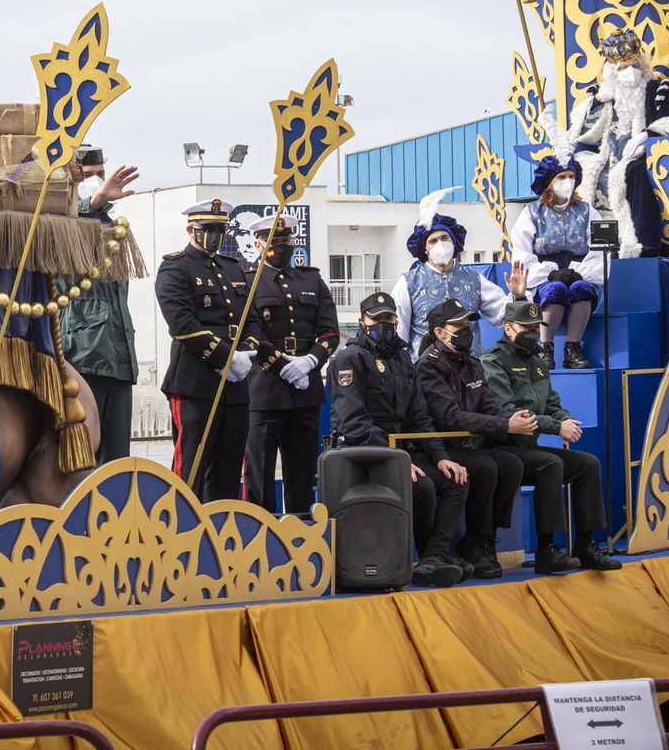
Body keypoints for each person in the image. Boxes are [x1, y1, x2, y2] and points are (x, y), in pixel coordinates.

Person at [329, 291, 473, 587]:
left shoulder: (402, 359)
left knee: (455, 478)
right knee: (422, 488)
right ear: (362, 322)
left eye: (389, 318)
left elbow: (419, 417)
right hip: (363, 453)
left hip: (400, 452)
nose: (384, 323)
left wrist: (440, 456)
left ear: (397, 321)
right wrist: (393, 459)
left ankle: (433, 558)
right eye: (377, 318)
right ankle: (422, 560)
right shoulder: (349, 359)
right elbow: (352, 422)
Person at [481, 300, 621, 574]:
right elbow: (508, 411)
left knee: (587, 464)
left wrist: (565, 419)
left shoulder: (537, 363)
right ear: (508, 329)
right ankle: (547, 549)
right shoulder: (493, 361)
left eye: (537, 327)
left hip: (529, 447)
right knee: (550, 463)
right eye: (527, 327)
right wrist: (555, 428)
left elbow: (552, 404)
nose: (533, 332)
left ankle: (586, 544)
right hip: (500, 447)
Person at [155, 199, 273, 501]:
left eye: (220, 230)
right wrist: (225, 356)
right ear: (190, 230)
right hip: (196, 383)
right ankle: (181, 534)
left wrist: (245, 355)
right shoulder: (175, 266)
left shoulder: (231, 268)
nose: (215, 236)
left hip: (235, 385)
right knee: (191, 469)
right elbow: (181, 324)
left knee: (228, 470)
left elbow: (251, 320)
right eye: (208, 229)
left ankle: (221, 538)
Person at [415, 300, 528, 579]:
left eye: (468, 323)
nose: (467, 329)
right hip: (440, 449)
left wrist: (514, 421)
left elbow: (489, 405)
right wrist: (504, 425)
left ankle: (486, 537)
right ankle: (472, 543)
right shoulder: (428, 367)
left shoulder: (472, 363)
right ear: (440, 333)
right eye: (459, 325)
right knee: (486, 466)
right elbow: (450, 417)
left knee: (512, 464)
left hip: (469, 446)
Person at [557, 28, 669, 259]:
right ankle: (587, 246)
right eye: (623, 68)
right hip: (609, 158)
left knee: (633, 172)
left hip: (642, 158)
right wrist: (597, 101)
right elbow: (584, 134)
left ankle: (640, 244)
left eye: (635, 66)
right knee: (582, 171)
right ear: (612, 73)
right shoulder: (608, 97)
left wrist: (647, 134)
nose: (631, 73)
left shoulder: (659, 90)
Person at [244, 214, 339, 517]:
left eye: (286, 241)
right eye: (275, 242)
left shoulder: (312, 279)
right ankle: (261, 532)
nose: (282, 247)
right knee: (259, 470)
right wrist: (280, 364)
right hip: (264, 390)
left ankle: (298, 533)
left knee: (302, 471)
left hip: (305, 390)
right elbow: (248, 333)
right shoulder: (247, 282)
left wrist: (311, 361)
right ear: (259, 245)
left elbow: (330, 331)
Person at [59, 146, 142, 464]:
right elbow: (68, 220)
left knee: (117, 457)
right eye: (88, 176)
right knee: (83, 451)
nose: (98, 182)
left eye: (100, 175)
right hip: (83, 354)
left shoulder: (110, 226)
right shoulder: (64, 223)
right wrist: (92, 203)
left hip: (118, 356)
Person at [390, 206, 526, 358]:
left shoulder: (474, 279)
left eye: (444, 238)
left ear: (454, 242)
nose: (440, 244)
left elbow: (502, 315)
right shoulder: (408, 282)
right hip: (425, 372)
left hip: (470, 369)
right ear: (425, 249)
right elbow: (399, 332)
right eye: (433, 241)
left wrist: (517, 297)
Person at [511, 155, 605, 370]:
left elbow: (599, 248)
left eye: (571, 176)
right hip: (545, 275)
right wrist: (548, 273)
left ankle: (573, 347)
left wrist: (581, 271)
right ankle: (546, 347)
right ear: (549, 182)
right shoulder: (532, 212)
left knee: (582, 289)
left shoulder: (587, 211)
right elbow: (521, 251)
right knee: (555, 289)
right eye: (561, 176)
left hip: (580, 270)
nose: (568, 181)